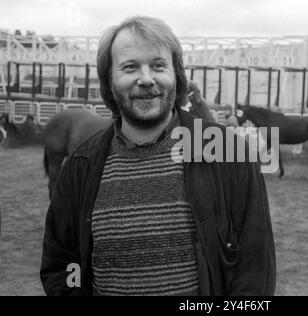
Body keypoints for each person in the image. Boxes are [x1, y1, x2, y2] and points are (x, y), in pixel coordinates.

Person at [40, 16, 276, 296]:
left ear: (176, 76)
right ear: (109, 81)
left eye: (158, 66)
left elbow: (255, 267)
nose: (146, 79)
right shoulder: (80, 166)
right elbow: (65, 264)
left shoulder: (231, 154)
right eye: (130, 67)